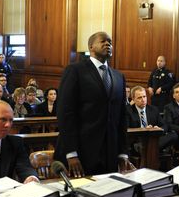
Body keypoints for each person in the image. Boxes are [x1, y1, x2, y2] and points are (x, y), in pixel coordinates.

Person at [55, 31, 134, 176]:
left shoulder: (118, 76)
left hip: (110, 152)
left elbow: (122, 117)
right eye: (103, 41)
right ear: (91, 47)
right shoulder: (75, 70)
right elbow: (65, 113)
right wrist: (71, 153)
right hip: (82, 150)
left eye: (110, 42)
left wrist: (123, 153)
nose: (108, 44)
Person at [126, 86, 177, 154]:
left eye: (144, 96)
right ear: (133, 99)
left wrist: (158, 128)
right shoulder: (128, 111)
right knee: (143, 146)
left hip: (153, 139)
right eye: (139, 97)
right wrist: (144, 130)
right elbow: (126, 130)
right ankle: (151, 150)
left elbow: (165, 125)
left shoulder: (153, 109)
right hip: (138, 141)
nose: (143, 100)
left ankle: (148, 149)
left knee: (173, 135)